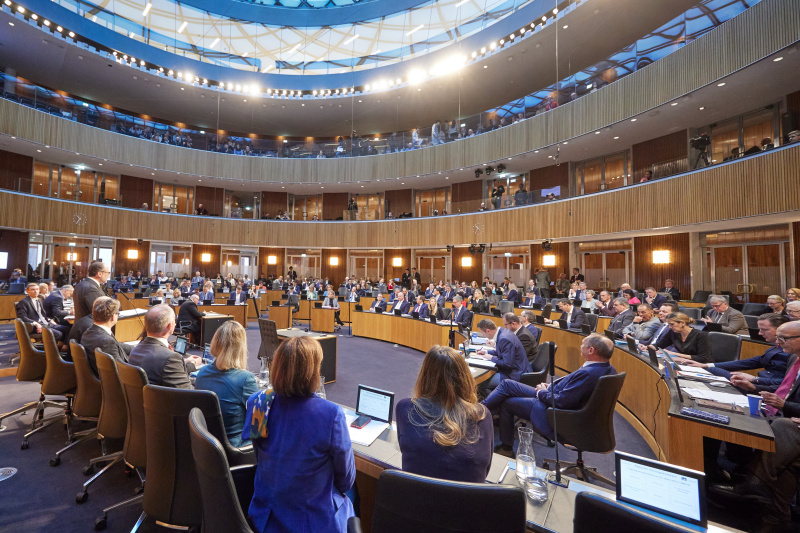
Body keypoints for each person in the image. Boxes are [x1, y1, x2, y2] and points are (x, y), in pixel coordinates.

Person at [243, 336, 355, 532]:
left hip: (265, 516)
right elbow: (345, 480)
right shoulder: (331, 415)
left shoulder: (257, 402)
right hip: (310, 522)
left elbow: (260, 455)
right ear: (312, 372)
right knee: (353, 495)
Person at [484, 334, 617, 455]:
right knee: (508, 385)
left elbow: (561, 402)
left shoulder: (588, 373)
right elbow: (572, 388)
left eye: (583, 344)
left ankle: (502, 443)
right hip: (557, 396)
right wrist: (550, 386)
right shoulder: (608, 369)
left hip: (557, 411)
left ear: (591, 350)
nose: (581, 346)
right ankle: (482, 410)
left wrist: (542, 392)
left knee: (507, 402)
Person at [396, 345, 493, 483]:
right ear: (464, 378)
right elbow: (485, 470)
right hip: (469, 503)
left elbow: (407, 452)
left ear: (424, 376)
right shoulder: (482, 414)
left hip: (417, 501)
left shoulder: (405, 408)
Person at [685, 313, 790, 391]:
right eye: (759, 329)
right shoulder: (777, 347)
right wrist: (707, 365)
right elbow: (754, 361)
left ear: (780, 329)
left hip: (767, 389)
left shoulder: (792, 352)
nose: (759, 333)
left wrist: (755, 379)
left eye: (764, 329)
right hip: (759, 383)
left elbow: (789, 383)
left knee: (717, 372)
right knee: (712, 370)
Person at [194, 321, 259, 447]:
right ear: (240, 347)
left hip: (208, 446)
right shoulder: (245, 379)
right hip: (237, 448)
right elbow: (259, 419)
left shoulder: (202, 373)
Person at [129, 305, 193, 389]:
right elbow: (188, 393)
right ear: (170, 325)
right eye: (174, 320)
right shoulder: (171, 357)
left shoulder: (135, 350)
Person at [474, 319, 530, 396]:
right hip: (515, 369)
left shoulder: (504, 338)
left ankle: (492, 406)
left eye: (482, 333)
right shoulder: (503, 332)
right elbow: (502, 352)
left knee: (480, 383)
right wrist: (486, 352)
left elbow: (507, 364)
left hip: (515, 374)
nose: (483, 335)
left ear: (488, 331)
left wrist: (491, 358)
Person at [80, 297, 133, 377]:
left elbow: (117, 345)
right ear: (112, 317)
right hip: (113, 384)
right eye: (117, 313)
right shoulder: (106, 341)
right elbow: (121, 369)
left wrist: (137, 349)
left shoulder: (89, 332)